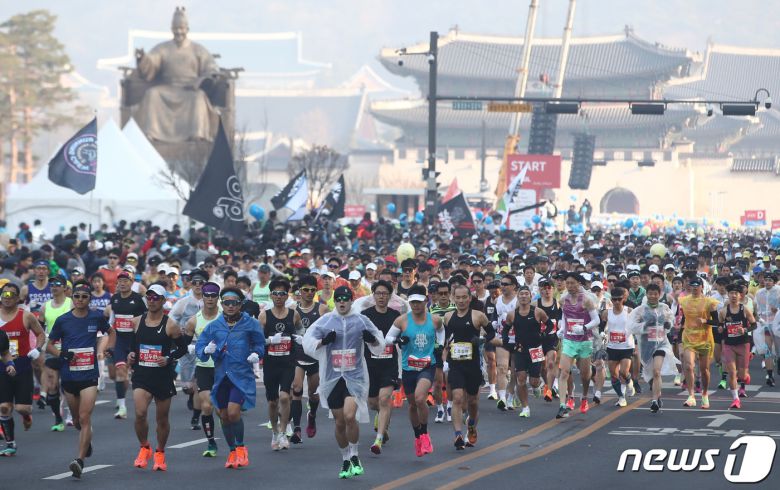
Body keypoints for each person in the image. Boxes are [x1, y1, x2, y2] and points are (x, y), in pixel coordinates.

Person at [303, 285, 384, 478]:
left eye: (345, 299)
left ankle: (355, 454)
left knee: (349, 416)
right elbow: (307, 342)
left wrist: (371, 339)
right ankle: (345, 458)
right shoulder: (326, 321)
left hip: (355, 376)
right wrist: (323, 342)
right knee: (339, 422)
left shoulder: (361, 320)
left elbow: (379, 342)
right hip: (332, 378)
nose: (341, 302)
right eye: (338, 299)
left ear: (350, 300)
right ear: (335, 301)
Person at [46, 281, 113, 478]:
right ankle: (87, 439)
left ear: (89, 299)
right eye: (77, 296)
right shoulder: (63, 320)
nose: (80, 300)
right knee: (76, 420)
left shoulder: (96, 317)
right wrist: (63, 354)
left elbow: (110, 333)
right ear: (72, 297)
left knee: (85, 418)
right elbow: (50, 345)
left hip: (89, 375)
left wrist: (106, 349)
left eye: (84, 296)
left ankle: (79, 460)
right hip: (69, 376)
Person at [195, 287, 265, 470]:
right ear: (222, 304)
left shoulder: (250, 323)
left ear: (240, 304)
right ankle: (232, 450)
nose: (230, 306)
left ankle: (241, 448)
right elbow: (200, 347)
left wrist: (257, 354)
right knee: (224, 416)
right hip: (220, 377)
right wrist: (205, 350)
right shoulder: (214, 326)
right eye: (226, 302)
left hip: (241, 376)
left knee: (234, 412)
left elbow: (260, 343)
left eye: (234, 302)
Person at [127, 284, 189, 471]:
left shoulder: (170, 325)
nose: (152, 301)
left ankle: (160, 452)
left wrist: (169, 358)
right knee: (140, 413)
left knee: (162, 419)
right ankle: (144, 446)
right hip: (142, 375)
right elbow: (132, 346)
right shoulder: (137, 321)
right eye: (149, 297)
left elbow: (182, 348)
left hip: (162, 377)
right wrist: (130, 355)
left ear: (163, 301)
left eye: (156, 298)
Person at [385, 285, 444, 458]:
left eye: (419, 302)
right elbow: (387, 339)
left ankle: (425, 434)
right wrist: (398, 339)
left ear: (426, 301)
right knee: (412, 404)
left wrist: (439, 346)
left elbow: (441, 331)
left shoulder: (434, 320)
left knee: (420, 398)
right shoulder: (402, 320)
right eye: (412, 302)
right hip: (408, 367)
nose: (416, 305)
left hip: (427, 365)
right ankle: (417, 435)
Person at [444, 284, 497, 449]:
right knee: (458, 398)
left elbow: (491, 333)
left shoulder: (478, 316)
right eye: (457, 297)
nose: (461, 301)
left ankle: (472, 425)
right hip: (456, 364)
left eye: (464, 297)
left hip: (473, 364)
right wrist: (444, 357)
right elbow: (445, 340)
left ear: (469, 298)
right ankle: (458, 435)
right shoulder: (448, 316)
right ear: (453, 298)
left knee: (473, 401)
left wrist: (481, 340)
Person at [0, 283, 46, 456]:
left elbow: (41, 334)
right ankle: (10, 443)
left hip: (22, 365)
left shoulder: (26, 316)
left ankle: (27, 416)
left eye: (11, 294)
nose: (7, 297)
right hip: (2, 366)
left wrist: (37, 349)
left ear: (18, 298)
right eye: (4, 294)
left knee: (22, 408)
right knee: (4, 407)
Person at [258, 278, 303, 451]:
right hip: (270, 363)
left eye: (282, 293)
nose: (279, 296)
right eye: (275, 293)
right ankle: (275, 432)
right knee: (272, 402)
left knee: (285, 397)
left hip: (288, 362)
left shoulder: (294, 314)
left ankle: (284, 432)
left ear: (287, 296)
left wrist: (301, 338)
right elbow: (256, 340)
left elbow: (300, 330)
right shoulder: (264, 316)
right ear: (270, 295)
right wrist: (269, 340)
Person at [360, 280, 401, 455]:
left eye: (385, 293)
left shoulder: (395, 315)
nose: (381, 296)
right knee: (373, 403)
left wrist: (401, 340)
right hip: (370, 364)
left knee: (385, 399)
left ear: (390, 296)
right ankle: (382, 419)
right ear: (373, 295)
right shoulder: (365, 315)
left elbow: (402, 334)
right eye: (378, 293)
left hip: (389, 363)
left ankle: (378, 439)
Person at [184, 281, 221, 456]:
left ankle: (234, 440)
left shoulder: (225, 316)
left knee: (224, 411)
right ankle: (211, 443)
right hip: (204, 367)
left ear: (218, 297)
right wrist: (189, 348)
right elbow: (182, 344)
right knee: (207, 406)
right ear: (203, 296)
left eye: (214, 295)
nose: (211, 298)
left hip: (224, 367)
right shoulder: (193, 321)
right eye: (207, 295)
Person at [555, 272, 600, 418]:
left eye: (572, 283)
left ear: (579, 284)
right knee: (564, 372)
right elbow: (564, 315)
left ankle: (585, 397)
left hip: (585, 341)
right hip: (569, 340)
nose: (569, 286)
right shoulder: (563, 299)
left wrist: (584, 328)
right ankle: (563, 405)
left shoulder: (587, 300)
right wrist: (561, 328)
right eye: (567, 283)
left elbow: (596, 320)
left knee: (585, 375)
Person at [103, 271, 147, 419]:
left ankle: (143, 400)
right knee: (120, 371)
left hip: (135, 340)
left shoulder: (138, 299)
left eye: (125, 281)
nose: (122, 283)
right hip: (120, 340)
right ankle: (122, 407)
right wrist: (109, 343)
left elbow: (146, 319)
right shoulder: (114, 299)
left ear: (131, 282)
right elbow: (111, 321)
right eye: (120, 281)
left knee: (138, 375)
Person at [291, 275, 328, 443]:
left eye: (313, 290)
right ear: (299, 291)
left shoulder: (322, 309)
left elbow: (330, 331)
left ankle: (312, 414)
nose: (309, 293)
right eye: (306, 290)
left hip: (315, 357)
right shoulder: (292, 310)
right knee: (297, 389)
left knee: (313, 395)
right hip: (297, 356)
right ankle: (297, 429)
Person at [504, 285, 548, 419]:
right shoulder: (512, 314)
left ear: (530, 296)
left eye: (526, 294)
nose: (523, 296)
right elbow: (506, 329)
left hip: (536, 349)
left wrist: (544, 336)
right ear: (518, 296)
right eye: (521, 294)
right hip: (520, 350)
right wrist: (506, 342)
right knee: (521, 378)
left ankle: (537, 386)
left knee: (534, 381)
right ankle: (525, 407)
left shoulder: (538, 312)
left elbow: (549, 325)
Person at [677, 277, 720, 409]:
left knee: (704, 369)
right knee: (689, 365)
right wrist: (679, 335)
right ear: (689, 287)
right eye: (692, 285)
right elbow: (684, 319)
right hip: (689, 337)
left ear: (702, 287)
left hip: (705, 338)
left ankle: (705, 394)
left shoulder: (709, 302)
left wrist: (706, 321)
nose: (695, 288)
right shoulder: (684, 301)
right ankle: (691, 396)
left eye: (697, 285)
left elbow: (717, 322)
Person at [40, 276, 73, 430]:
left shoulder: (71, 303)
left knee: (69, 386)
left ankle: (72, 415)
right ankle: (58, 420)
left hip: (69, 349)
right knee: (52, 385)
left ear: (65, 287)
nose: (54, 287)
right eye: (52, 284)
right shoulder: (45, 307)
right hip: (51, 349)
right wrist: (39, 346)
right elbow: (39, 330)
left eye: (57, 284)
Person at [717, 283, 756, 409]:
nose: (733, 296)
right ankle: (735, 399)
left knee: (742, 376)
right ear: (728, 295)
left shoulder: (744, 309)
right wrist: (720, 329)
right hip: (729, 345)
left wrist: (745, 329)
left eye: (736, 293)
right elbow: (720, 326)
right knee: (732, 372)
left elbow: (754, 325)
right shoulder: (723, 311)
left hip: (743, 344)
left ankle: (746, 376)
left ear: (740, 295)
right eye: (731, 293)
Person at [603, 288, 634, 408]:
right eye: (614, 299)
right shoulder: (607, 313)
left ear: (624, 299)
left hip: (626, 346)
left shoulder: (629, 311)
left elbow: (636, 326)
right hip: (612, 347)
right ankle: (621, 397)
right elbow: (601, 325)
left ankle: (629, 381)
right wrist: (602, 333)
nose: (616, 302)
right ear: (611, 300)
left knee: (623, 372)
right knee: (613, 374)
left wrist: (636, 344)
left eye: (619, 299)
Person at [535, 278, 561, 402]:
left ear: (553, 289)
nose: (547, 290)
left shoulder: (558, 303)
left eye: (549, 287)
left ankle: (550, 390)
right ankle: (547, 384)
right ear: (540, 290)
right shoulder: (535, 304)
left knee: (551, 363)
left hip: (552, 339)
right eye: (544, 288)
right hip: (539, 340)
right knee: (542, 367)